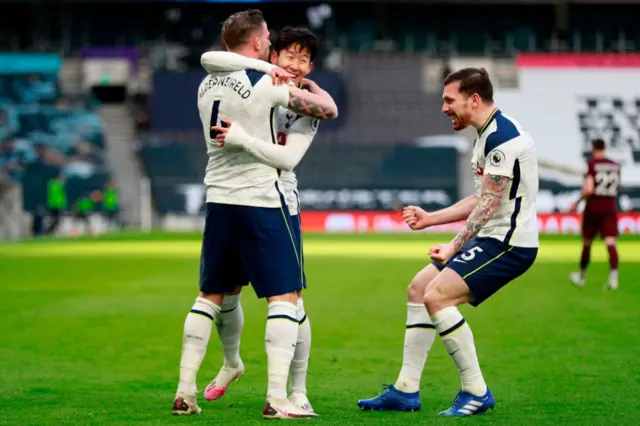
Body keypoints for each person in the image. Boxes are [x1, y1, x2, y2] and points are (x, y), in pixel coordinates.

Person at [171, 9, 338, 419]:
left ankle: (186, 390)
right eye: (281, 50)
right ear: (265, 45)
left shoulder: (207, 82)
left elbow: (213, 59)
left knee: (215, 294)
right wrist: (249, 131)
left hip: (221, 200)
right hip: (265, 200)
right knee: (287, 298)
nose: (291, 63)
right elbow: (326, 113)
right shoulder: (270, 85)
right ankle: (279, 397)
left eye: (303, 59)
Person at [357, 68, 539, 416]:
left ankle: (476, 391)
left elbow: (488, 205)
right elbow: (482, 197)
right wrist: (430, 219)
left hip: (509, 243)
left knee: (436, 296)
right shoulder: (487, 134)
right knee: (419, 288)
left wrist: (453, 246)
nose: (443, 108)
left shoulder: (502, 139)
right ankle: (405, 391)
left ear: (473, 99)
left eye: (448, 100)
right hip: (491, 236)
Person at [569, 138, 620, 290]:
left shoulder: (592, 164)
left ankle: (581, 276)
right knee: (610, 242)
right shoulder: (615, 165)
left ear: (593, 148)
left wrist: (577, 203)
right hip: (610, 205)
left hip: (594, 206)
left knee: (587, 241)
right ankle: (614, 279)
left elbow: (589, 189)